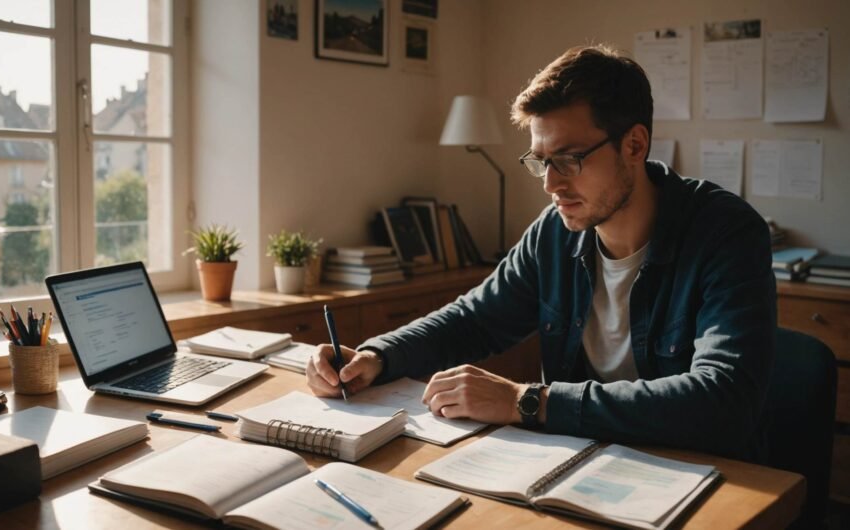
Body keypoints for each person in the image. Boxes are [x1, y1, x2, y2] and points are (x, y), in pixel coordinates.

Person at [306, 44, 776, 461]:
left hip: (698, 474)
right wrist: (376, 355)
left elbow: (724, 400)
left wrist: (528, 401)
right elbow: (475, 318)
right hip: (576, 463)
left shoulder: (726, 234)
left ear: (634, 144)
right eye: (540, 161)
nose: (551, 185)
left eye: (569, 159)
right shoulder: (555, 232)